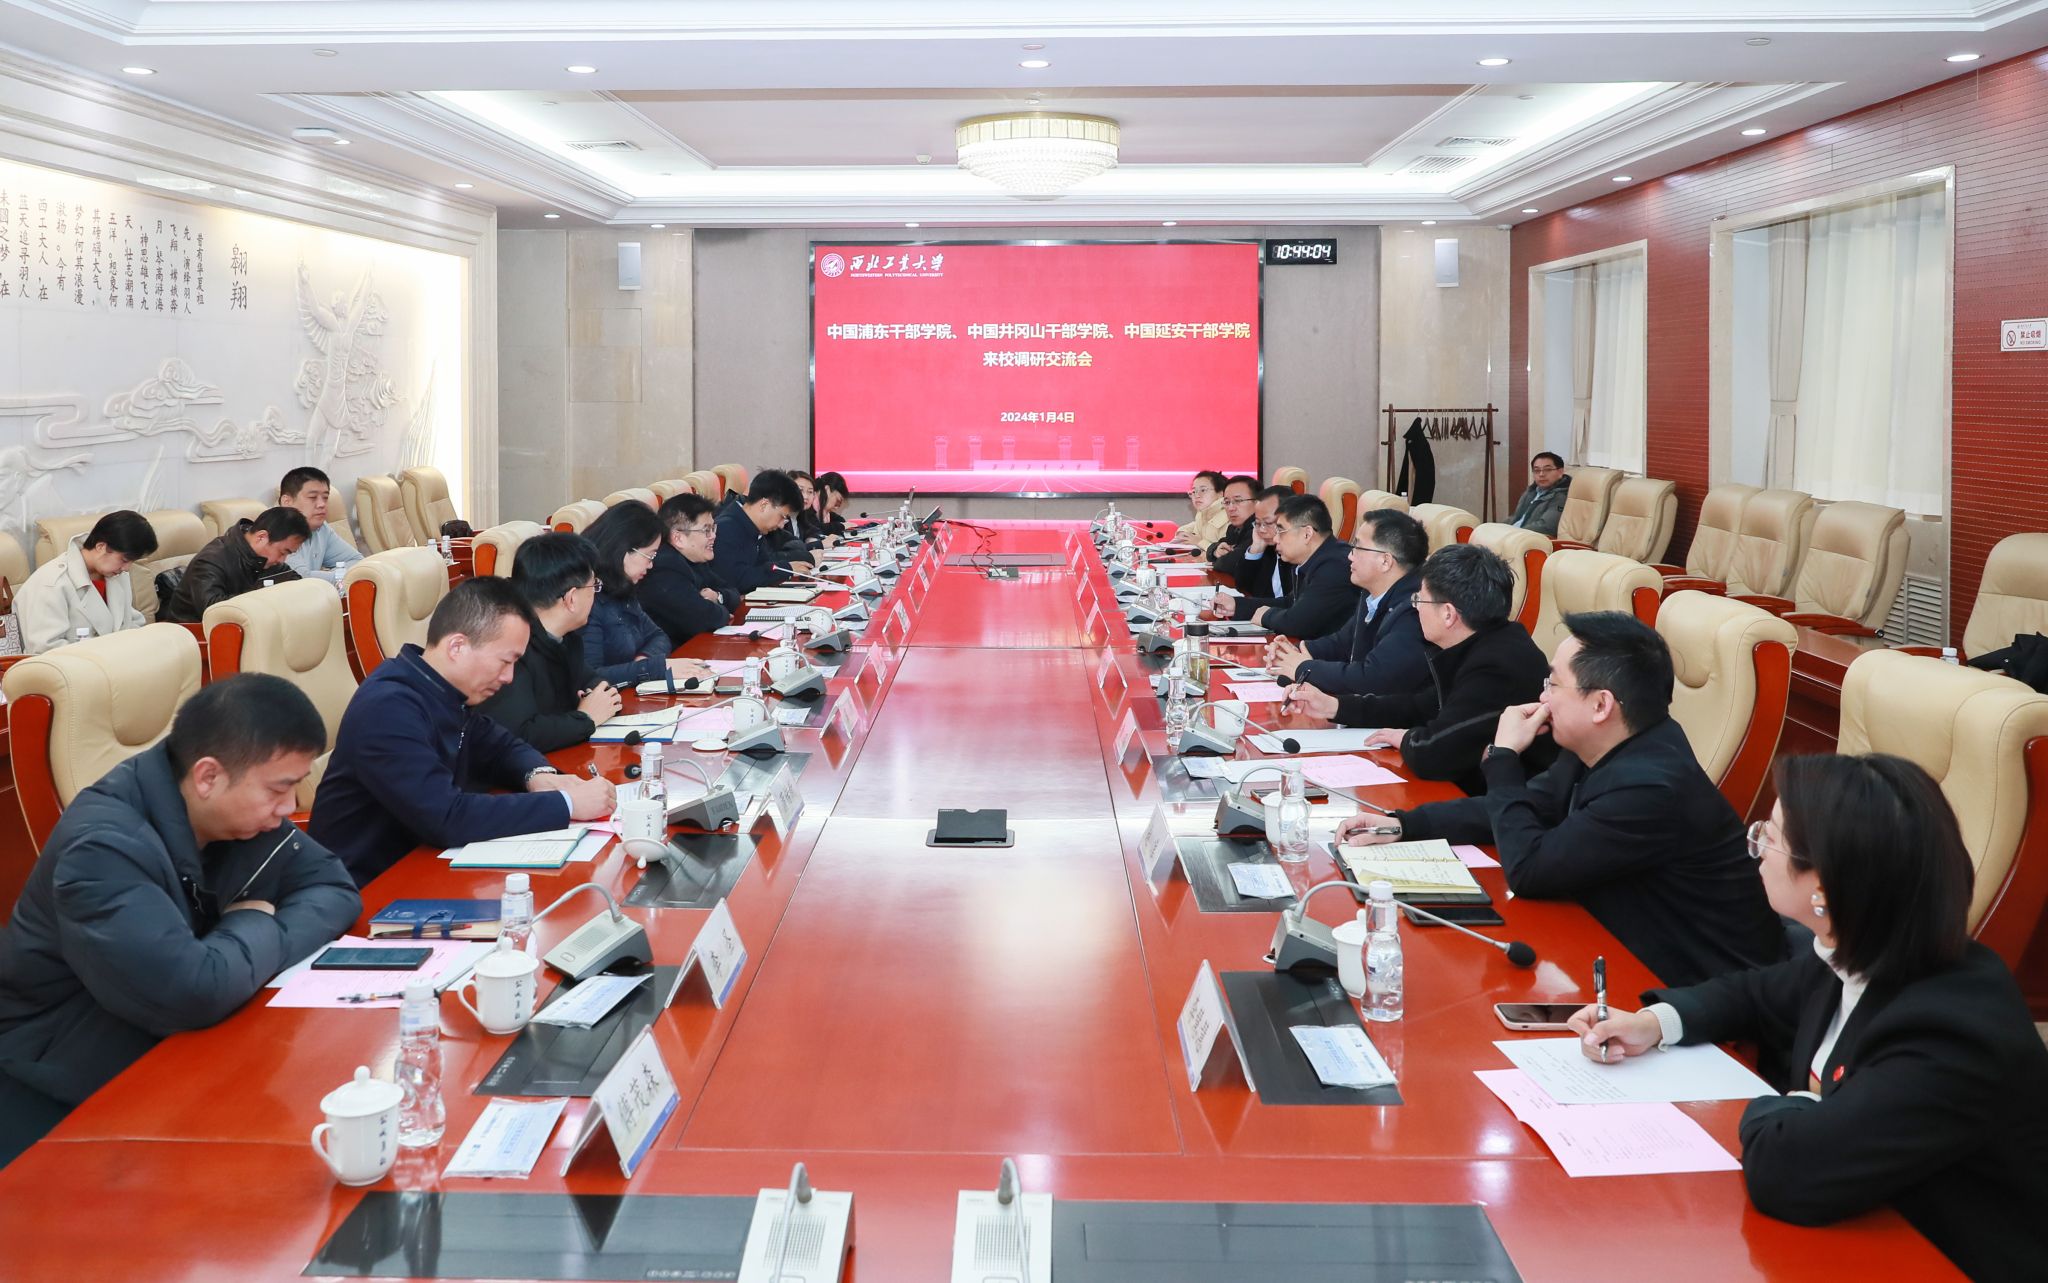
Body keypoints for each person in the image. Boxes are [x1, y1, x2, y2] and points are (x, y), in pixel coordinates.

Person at [1571, 754, 2048, 1282]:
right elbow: (1754, 994)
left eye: (1770, 837)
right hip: (1857, 1234)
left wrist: (1790, 1104)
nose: (1755, 847)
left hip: (1942, 1260)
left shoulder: (1950, 1034)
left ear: (1824, 884)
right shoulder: (1859, 954)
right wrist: (1655, 1024)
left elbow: (1787, 1174)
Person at [0, 674, 359, 1167]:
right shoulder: (101, 849)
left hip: (183, 1051)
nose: (289, 808)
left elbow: (334, 888)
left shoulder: (234, 815)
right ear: (208, 776)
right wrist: (251, 925)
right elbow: (194, 991)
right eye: (279, 789)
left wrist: (236, 951)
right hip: (62, 1089)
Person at [1340, 610, 1781, 986]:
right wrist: (1405, 825)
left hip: (1702, 999)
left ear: (1601, 705)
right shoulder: (1607, 744)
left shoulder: (1651, 787)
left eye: (1553, 684)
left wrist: (1504, 756)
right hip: (1616, 953)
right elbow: (1526, 805)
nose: (1542, 697)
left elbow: (1529, 869)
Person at [310, 576, 616, 887]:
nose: (509, 677)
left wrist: (537, 775)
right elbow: (446, 816)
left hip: (425, 865)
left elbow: (501, 745)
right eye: (505, 661)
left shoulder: (440, 688)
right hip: (369, 888)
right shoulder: (388, 707)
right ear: (457, 647)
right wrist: (566, 803)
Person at [1289, 542, 1550, 795]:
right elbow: (1420, 706)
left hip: (1511, 806)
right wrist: (1335, 707)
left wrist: (1407, 739)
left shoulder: (1497, 666)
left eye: (1419, 600)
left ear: (1448, 614)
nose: (1415, 608)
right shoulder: (1478, 644)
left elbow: (1435, 754)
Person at [476, 532, 623, 753]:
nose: (596, 594)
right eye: (594, 586)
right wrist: (585, 718)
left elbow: (593, 680)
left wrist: (599, 699)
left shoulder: (566, 637)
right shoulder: (510, 646)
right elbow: (520, 733)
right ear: (571, 599)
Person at [1267, 508, 1428, 699]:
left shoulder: (1414, 609)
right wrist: (1295, 651)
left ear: (1385, 561)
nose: (1350, 555)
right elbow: (1343, 643)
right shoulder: (1372, 593)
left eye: (1358, 547)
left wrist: (1303, 667)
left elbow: (1371, 678)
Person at [577, 501, 712, 690]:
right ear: (623, 550)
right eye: (650, 556)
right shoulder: (588, 596)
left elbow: (658, 636)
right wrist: (651, 668)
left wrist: (643, 660)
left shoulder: (622, 587)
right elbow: (590, 677)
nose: (651, 565)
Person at [1211, 493, 1357, 640]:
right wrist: (1237, 605)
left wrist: (1266, 616)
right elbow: (1291, 603)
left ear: (1307, 534)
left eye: (1281, 531)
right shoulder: (1313, 558)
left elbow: (1298, 622)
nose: (1275, 538)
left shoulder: (1335, 565)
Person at [13, 509, 156, 653]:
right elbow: (45, 650)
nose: (126, 568)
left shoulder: (116, 574)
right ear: (101, 547)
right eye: (124, 560)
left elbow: (130, 622)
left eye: (132, 562)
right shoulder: (51, 584)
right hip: (73, 665)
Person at [159, 506, 308, 623]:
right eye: (283, 552)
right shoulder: (211, 559)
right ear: (261, 537)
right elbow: (213, 610)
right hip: (196, 636)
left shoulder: (266, 558)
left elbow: (293, 581)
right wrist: (263, 597)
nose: (282, 560)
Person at [641, 492, 736, 646]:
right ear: (678, 538)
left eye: (713, 528)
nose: (713, 536)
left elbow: (733, 591)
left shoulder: (695, 558)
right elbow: (705, 619)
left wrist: (717, 597)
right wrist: (720, 610)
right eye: (706, 530)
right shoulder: (664, 567)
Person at [713, 469, 804, 595]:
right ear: (764, 505)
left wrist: (786, 568)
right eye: (782, 516)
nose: (780, 525)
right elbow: (737, 580)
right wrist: (785, 569)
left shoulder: (753, 527)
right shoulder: (725, 528)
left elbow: (764, 565)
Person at [278, 466, 362, 584]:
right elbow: (301, 579)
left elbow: (357, 562)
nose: (322, 504)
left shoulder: (320, 527)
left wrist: (333, 575)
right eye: (313, 497)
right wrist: (337, 576)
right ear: (287, 502)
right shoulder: (276, 533)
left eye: (325, 498)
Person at [1213, 484, 1294, 598]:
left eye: (1268, 523)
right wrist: (1256, 548)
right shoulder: (1268, 547)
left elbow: (1290, 603)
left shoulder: (1300, 555)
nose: (1262, 529)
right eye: (1258, 523)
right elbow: (1243, 587)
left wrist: (1239, 604)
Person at [1507, 452, 1571, 536]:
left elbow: (1546, 527)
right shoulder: (1531, 491)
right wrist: (1496, 527)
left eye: (1547, 470)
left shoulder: (1562, 496)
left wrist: (1512, 534)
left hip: (1529, 538)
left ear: (1560, 472)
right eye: (1537, 470)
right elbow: (1515, 518)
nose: (1541, 474)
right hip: (1513, 534)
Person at [1203, 475, 1260, 567]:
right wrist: (1215, 551)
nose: (1231, 508)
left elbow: (1233, 564)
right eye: (1227, 502)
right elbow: (1221, 544)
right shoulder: (1233, 528)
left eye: (1238, 501)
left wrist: (1219, 561)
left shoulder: (1260, 529)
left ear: (1257, 503)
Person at [1174, 470, 1230, 547]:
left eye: (1203, 490)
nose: (1197, 495)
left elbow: (1225, 551)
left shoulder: (1230, 516)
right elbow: (1198, 525)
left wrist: (1199, 542)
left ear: (1221, 493)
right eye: (1194, 491)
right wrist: (1183, 531)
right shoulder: (1202, 514)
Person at [813, 471, 851, 546]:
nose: (837, 507)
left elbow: (840, 520)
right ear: (827, 490)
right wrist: (842, 526)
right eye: (837, 501)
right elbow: (815, 528)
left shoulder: (825, 512)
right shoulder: (807, 507)